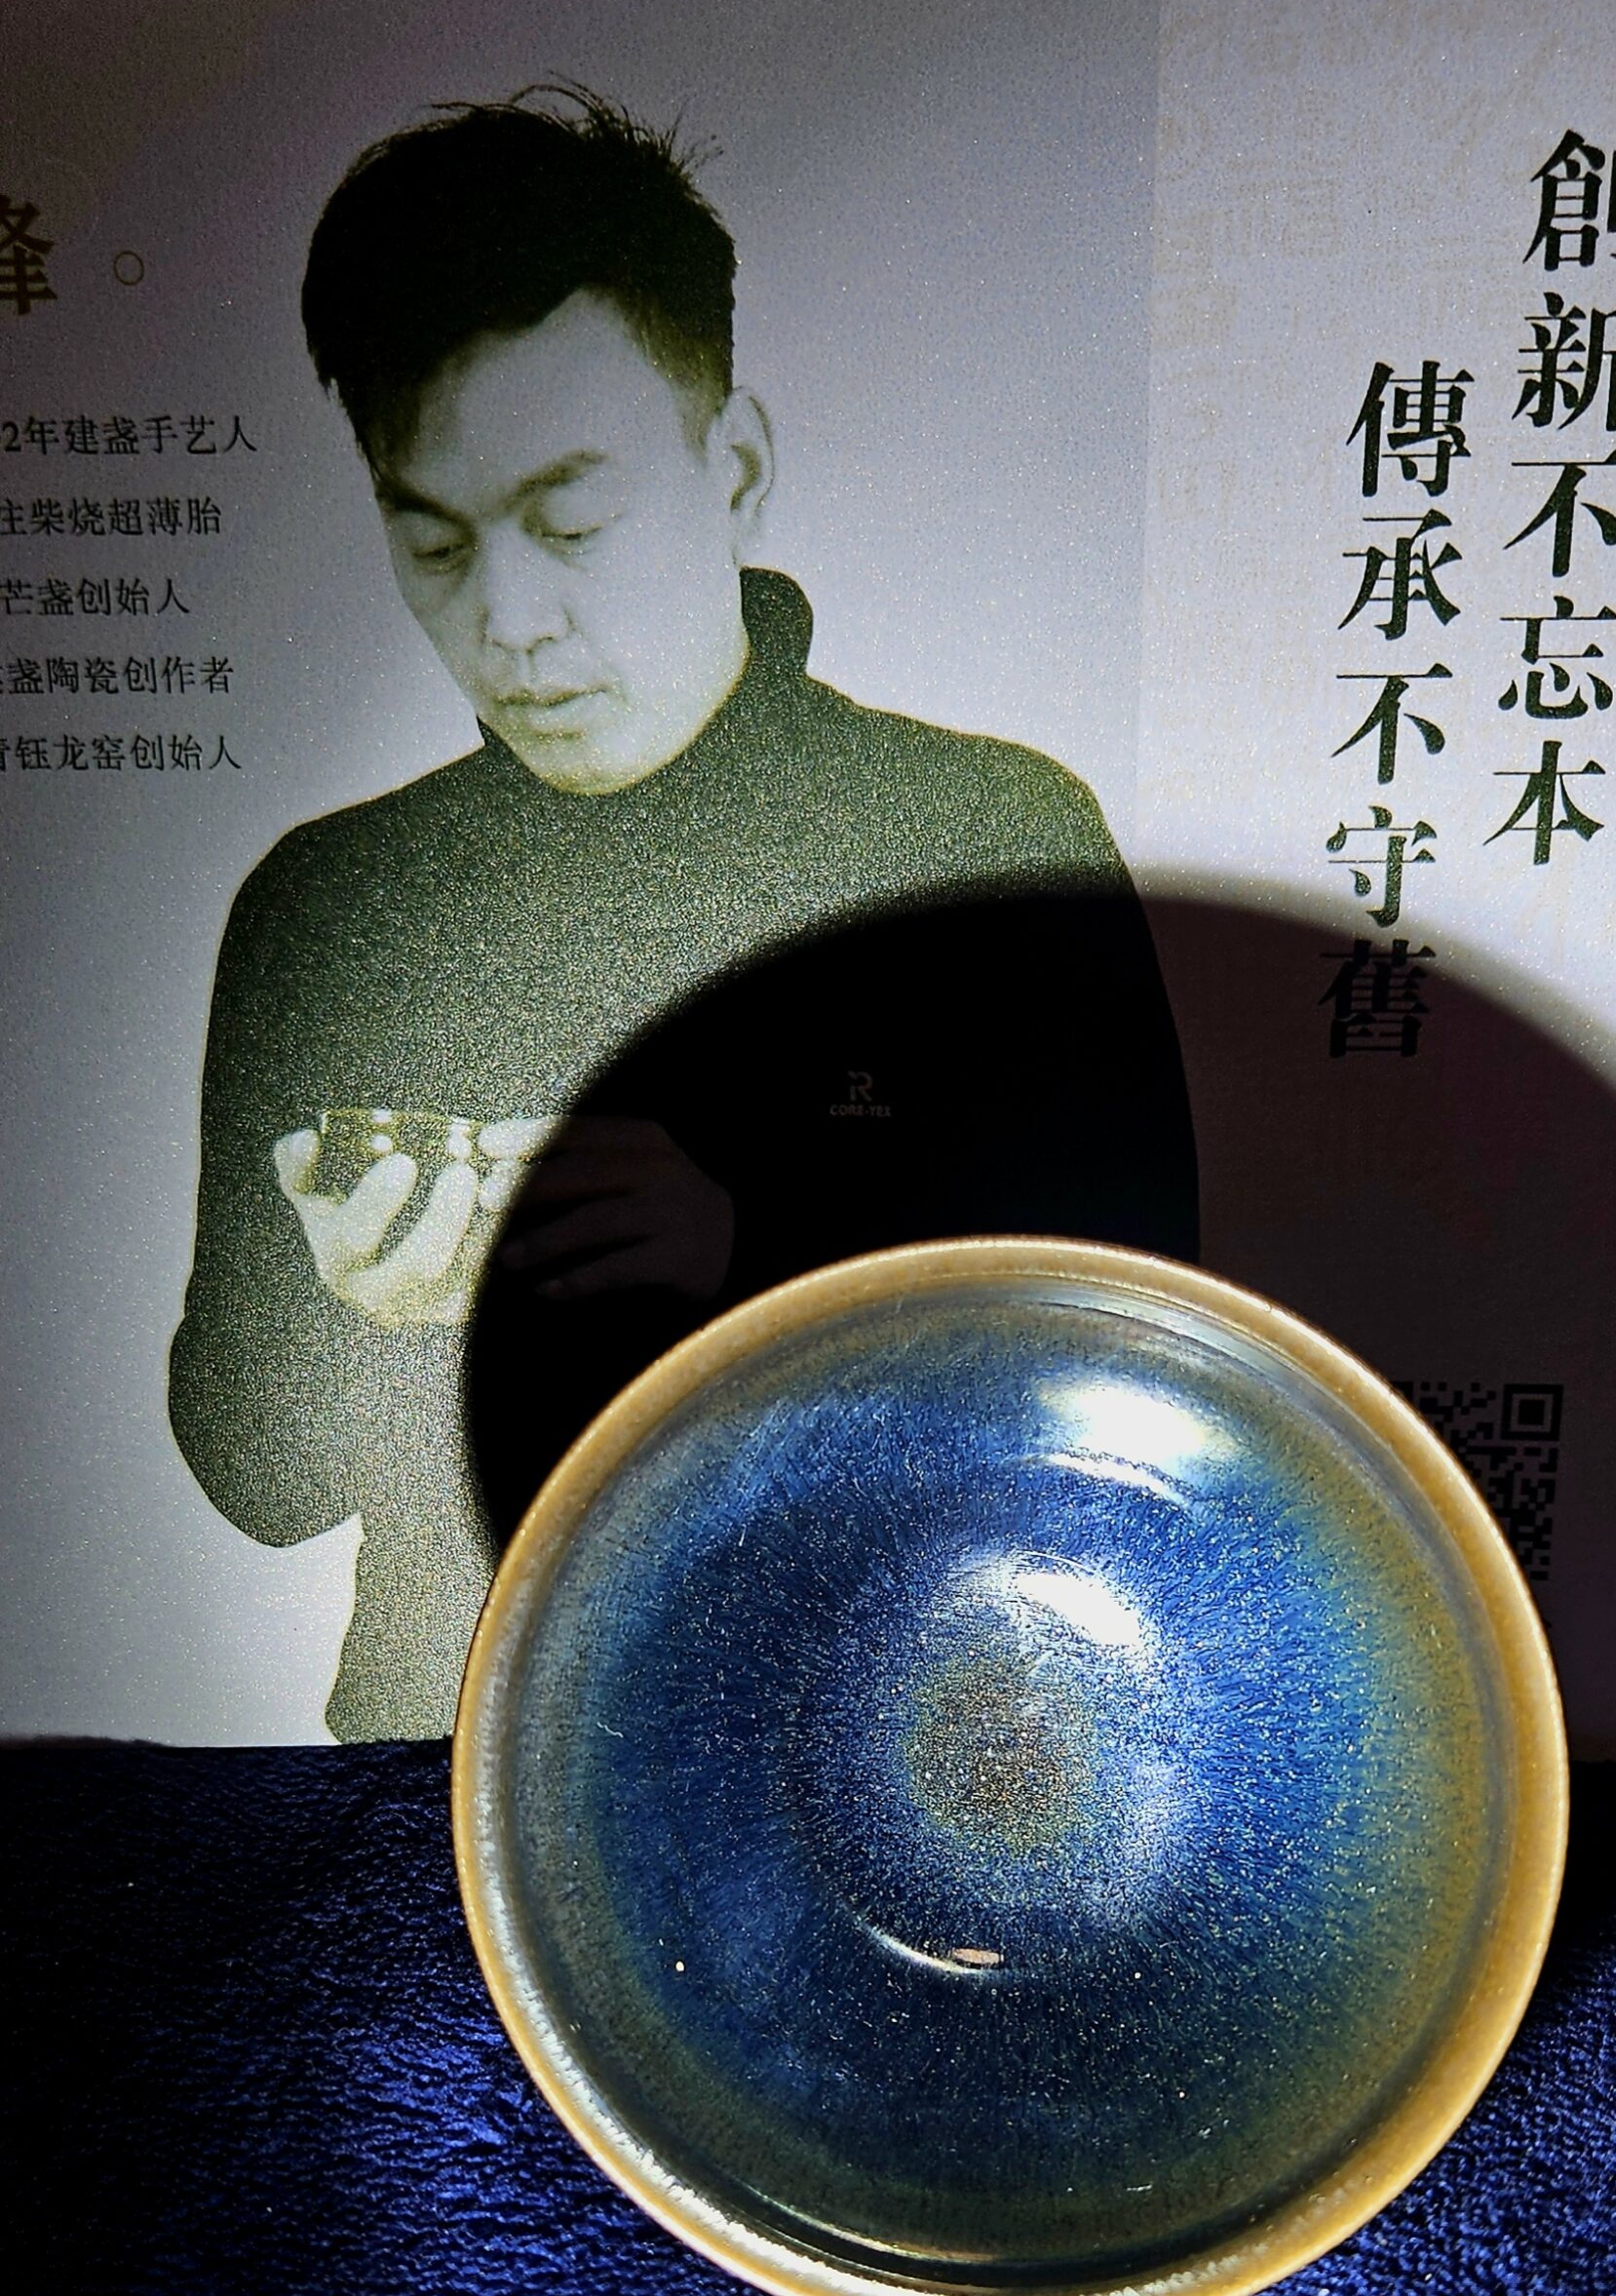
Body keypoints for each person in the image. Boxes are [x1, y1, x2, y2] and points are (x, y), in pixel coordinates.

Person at [169, 88, 1197, 1742]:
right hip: (445, 1753)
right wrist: (353, 1313)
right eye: (432, 544)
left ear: (737, 468)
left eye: (571, 524)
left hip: (882, 1736)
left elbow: (1139, 1365)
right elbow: (257, 1486)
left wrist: (747, 1258)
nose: (511, 620)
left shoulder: (986, 835)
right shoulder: (331, 905)